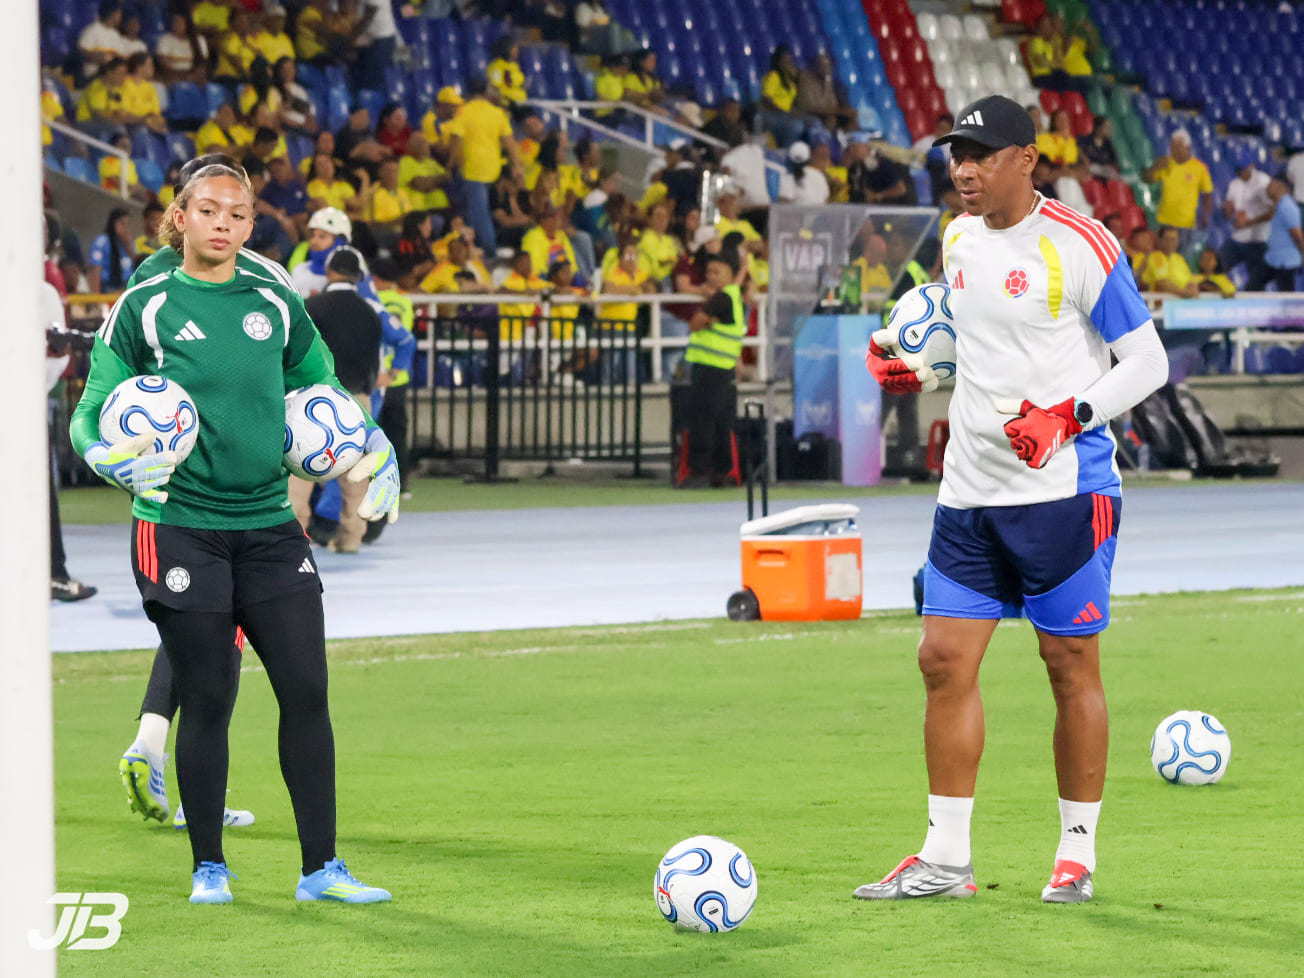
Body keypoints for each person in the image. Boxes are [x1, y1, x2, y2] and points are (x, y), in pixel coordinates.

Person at [858, 95, 1167, 904]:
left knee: (1067, 665)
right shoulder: (958, 238)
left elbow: (1146, 362)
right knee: (941, 662)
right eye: (956, 152)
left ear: (1026, 159)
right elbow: (965, 337)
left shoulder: (1081, 244)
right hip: (968, 494)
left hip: (1063, 493)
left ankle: (1075, 855)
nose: (962, 168)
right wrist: (909, 362)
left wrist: (1066, 417)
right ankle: (946, 860)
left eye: (982, 154)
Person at [71, 160, 398, 904]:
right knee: (210, 693)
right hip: (180, 526)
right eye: (210, 210)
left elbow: (320, 384)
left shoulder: (274, 296)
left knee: (307, 691)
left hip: (270, 523)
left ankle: (322, 870)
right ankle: (209, 868)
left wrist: (373, 443)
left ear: (252, 224)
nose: (225, 223)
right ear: (181, 217)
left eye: (239, 213)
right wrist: (98, 452)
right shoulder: (146, 303)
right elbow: (92, 405)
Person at [290, 248, 385, 553]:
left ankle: (294, 538)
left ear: (329, 272)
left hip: (312, 400)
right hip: (356, 398)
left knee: (299, 472)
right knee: (355, 479)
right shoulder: (370, 311)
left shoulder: (312, 306)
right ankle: (351, 538)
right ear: (357, 277)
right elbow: (374, 360)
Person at [680, 250, 746, 486]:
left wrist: (707, 320)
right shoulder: (734, 296)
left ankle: (699, 473)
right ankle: (722, 472)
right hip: (725, 368)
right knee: (721, 422)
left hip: (709, 368)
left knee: (702, 419)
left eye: (716, 271)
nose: (711, 276)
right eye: (708, 271)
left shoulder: (720, 299)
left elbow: (695, 324)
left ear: (730, 274)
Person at [446, 76, 523, 253]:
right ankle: (473, 247)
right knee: (473, 212)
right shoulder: (497, 113)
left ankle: (489, 251)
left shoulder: (463, 111)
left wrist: (450, 165)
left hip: (474, 168)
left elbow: (456, 141)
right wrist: (517, 164)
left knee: (480, 215)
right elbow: (510, 142)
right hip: (493, 167)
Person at [1143, 130, 1212, 253]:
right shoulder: (1166, 163)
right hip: (1164, 221)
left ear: (1187, 147)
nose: (1173, 150)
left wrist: (1205, 215)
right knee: (1159, 259)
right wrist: (1155, 167)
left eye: (1177, 146)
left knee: (1179, 260)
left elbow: (1208, 194)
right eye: (1172, 146)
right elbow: (1147, 180)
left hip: (1186, 225)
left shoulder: (1200, 168)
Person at [1220, 154, 1273, 291]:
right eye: (1237, 170)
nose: (1240, 173)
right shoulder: (1234, 183)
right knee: (1218, 268)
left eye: (1242, 170)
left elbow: (1273, 211)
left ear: (1251, 166)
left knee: (1256, 285)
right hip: (1238, 238)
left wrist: (1249, 223)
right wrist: (1227, 209)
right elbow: (1230, 207)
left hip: (1258, 240)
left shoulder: (1263, 181)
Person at [1263, 177, 1303, 292]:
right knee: (1253, 286)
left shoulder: (1287, 207)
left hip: (1286, 261)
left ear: (1281, 187)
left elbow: (1297, 236)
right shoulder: (1278, 206)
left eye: (1271, 185)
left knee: (1286, 294)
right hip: (1273, 259)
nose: (1267, 188)